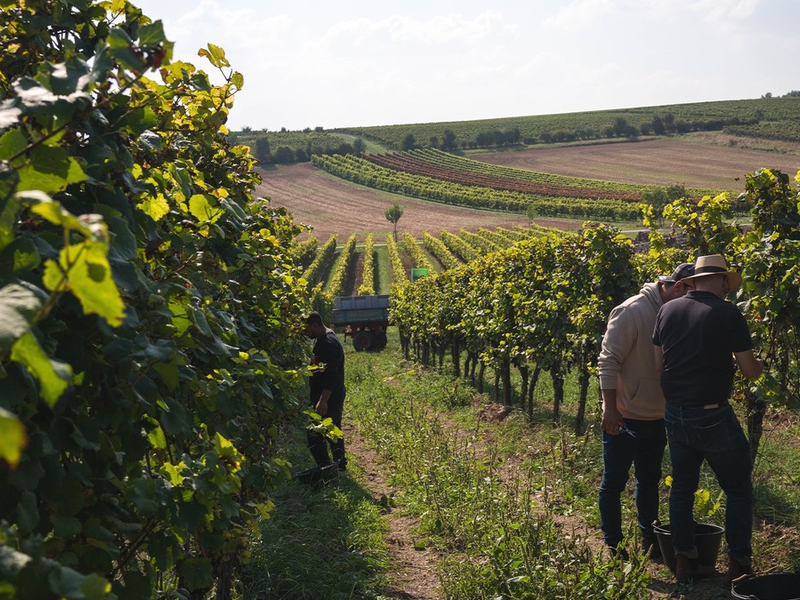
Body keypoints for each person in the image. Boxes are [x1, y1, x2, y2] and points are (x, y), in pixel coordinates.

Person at [652, 254, 763, 584]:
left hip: (675, 412)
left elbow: (659, 365)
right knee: (738, 488)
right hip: (712, 414)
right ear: (723, 281)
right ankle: (740, 563)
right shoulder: (728, 313)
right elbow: (750, 371)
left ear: (694, 281)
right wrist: (758, 365)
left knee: (682, 487)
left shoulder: (667, 310)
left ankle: (684, 559)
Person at [598, 262, 695, 560]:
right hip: (624, 416)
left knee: (649, 480)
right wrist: (610, 408)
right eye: (691, 294)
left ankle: (650, 542)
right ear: (677, 287)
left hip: (657, 415)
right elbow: (608, 361)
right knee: (613, 483)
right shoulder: (632, 311)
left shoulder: (677, 313)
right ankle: (614, 546)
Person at [303, 311, 347, 471]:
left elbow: (332, 375)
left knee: (316, 433)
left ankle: (329, 468)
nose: (304, 333)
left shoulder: (327, 344)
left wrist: (323, 400)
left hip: (329, 397)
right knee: (331, 431)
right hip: (330, 395)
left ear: (315, 325)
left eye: (306, 329)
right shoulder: (326, 337)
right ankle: (338, 466)